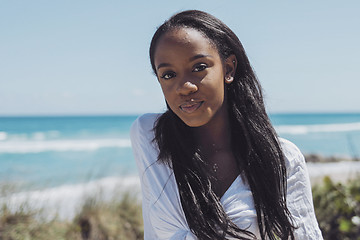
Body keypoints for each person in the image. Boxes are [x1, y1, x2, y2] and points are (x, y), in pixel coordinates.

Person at [130, 10, 323, 240]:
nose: (185, 86)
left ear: (228, 69)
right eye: (169, 74)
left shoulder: (282, 160)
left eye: (199, 67)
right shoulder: (149, 136)